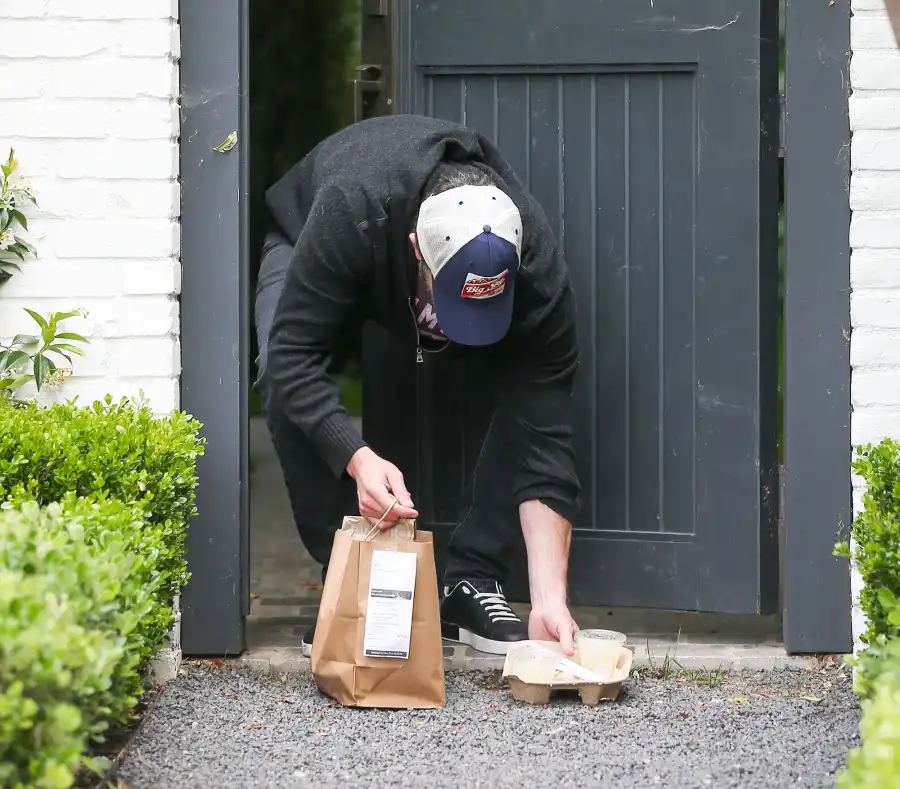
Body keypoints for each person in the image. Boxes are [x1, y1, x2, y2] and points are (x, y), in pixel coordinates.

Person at [255, 113, 581, 658]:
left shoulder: (536, 265)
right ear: (415, 248)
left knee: (530, 392)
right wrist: (357, 457)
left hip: (394, 254)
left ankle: (471, 580)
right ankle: (353, 583)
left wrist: (551, 599)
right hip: (309, 235)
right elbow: (294, 357)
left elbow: (543, 424)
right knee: (278, 367)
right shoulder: (351, 205)